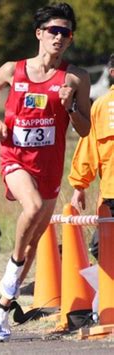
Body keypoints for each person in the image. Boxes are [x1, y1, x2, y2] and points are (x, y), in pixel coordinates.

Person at [0, 2, 91, 342]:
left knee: (35, 238)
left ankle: (2, 305)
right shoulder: (15, 70)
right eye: (53, 30)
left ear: (70, 39)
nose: (59, 37)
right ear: (39, 34)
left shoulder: (76, 77)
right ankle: (10, 280)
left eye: (65, 32)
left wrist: (70, 104)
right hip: (15, 156)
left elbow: (84, 130)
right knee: (31, 208)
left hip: (49, 165)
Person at [69, 53, 114, 259]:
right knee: (100, 247)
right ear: (112, 73)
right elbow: (89, 146)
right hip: (111, 194)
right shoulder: (101, 106)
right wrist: (79, 186)